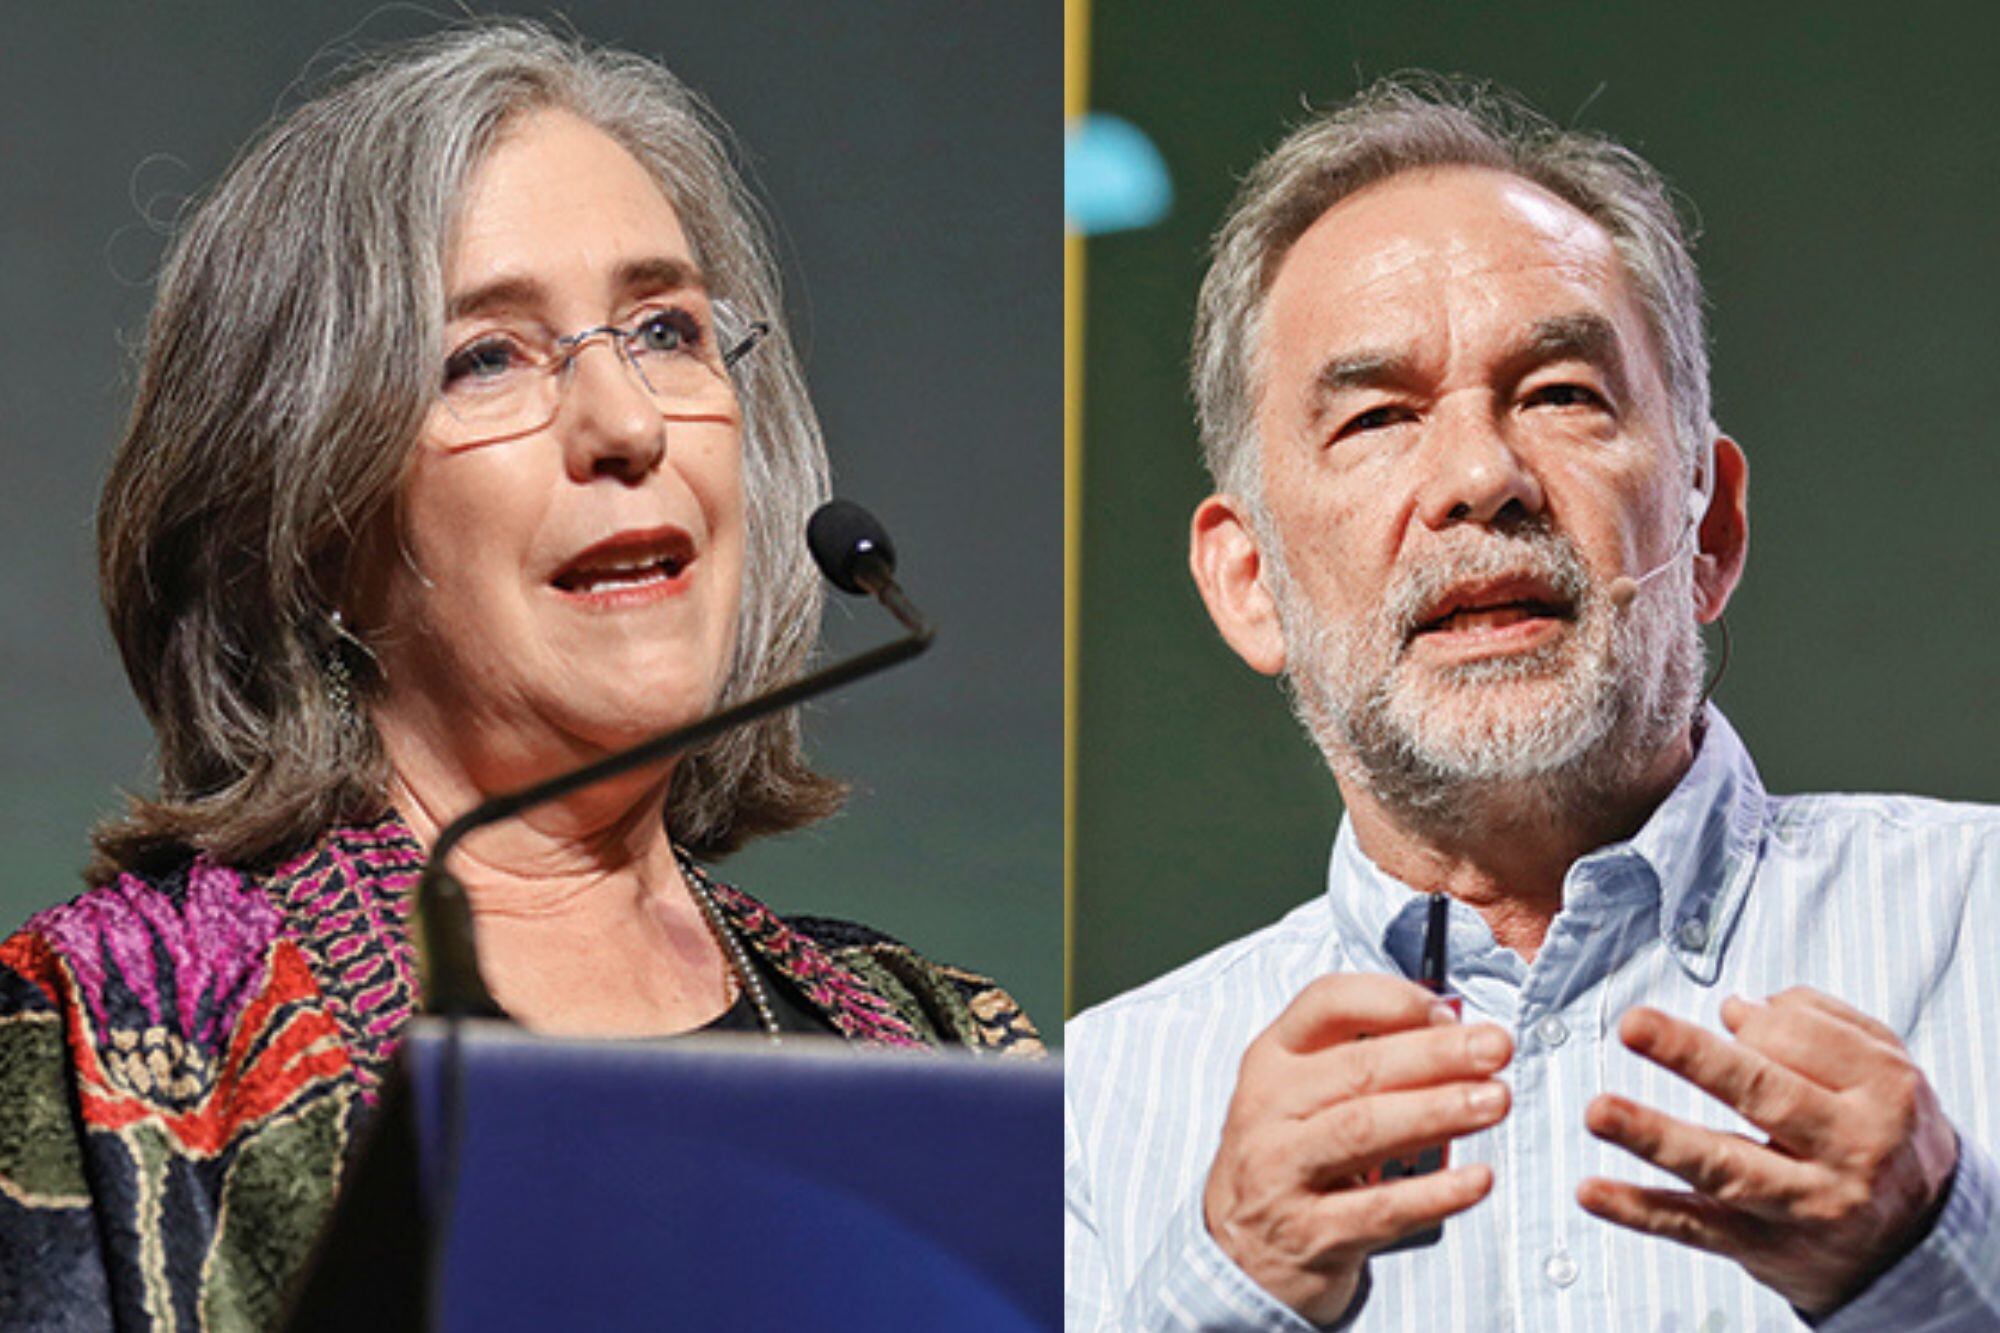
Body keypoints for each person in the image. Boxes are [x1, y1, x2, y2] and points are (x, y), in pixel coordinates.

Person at [0, 21, 1040, 1329]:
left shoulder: (950, 1048)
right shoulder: (103, 1042)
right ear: (307, 512)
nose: (628, 424)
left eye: (665, 328)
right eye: (487, 355)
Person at [1065, 76, 1998, 1331]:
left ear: (1706, 526)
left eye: (1560, 393)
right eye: (1377, 417)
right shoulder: (1084, 1109)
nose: (1476, 478)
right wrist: (1226, 1292)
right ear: (1249, 584)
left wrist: (1933, 1265)